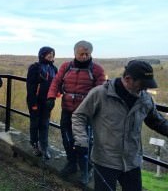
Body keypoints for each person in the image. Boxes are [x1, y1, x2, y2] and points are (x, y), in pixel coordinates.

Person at [72, 60, 168, 191]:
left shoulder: (146, 99)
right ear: (128, 79)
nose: (145, 89)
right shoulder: (100, 94)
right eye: (142, 84)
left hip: (132, 162)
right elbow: (79, 116)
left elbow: (156, 121)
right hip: (105, 161)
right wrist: (81, 140)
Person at [47, 40, 105, 184]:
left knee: (85, 142)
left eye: (87, 54)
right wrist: (51, 97)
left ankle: (87, 169)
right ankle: (71, 163)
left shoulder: (97, 70)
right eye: (81, 54)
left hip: (86, 113)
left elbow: (101, 91)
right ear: (75, 53)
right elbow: (56, 82)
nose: (84, 56)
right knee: (67, 138)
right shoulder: (66, 67)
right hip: (67, 109)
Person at [26, 46, 57, 160]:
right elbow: (30, 86)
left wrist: (53, 98)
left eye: (52, 54)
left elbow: (57, 85)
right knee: (35, 124)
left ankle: (44, 147)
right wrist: (33, 102)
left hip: (47, 102)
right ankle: (34, 144)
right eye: (49, 53)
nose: (51, 56)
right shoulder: (35, 67)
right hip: (35, 101)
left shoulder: (54, 69)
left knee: (44, 124)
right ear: (42, 54)